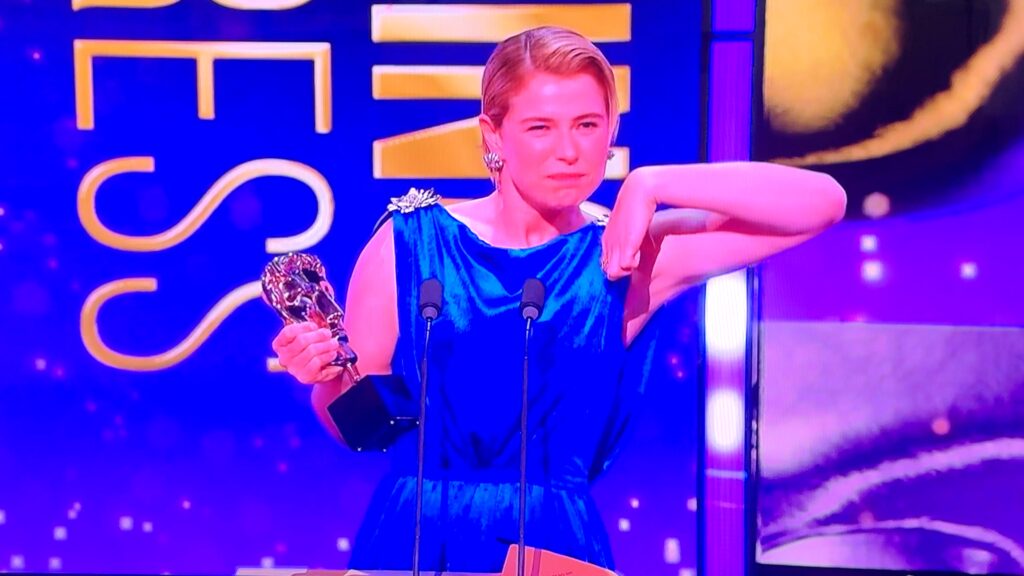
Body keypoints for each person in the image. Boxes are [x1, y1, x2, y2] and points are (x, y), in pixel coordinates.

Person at [271, 25, 847, 573]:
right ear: (493, 134)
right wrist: (323, 377)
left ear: (612, 129)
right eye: (540, 127)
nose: (568, 151)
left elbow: (821, 202)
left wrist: (652, 183)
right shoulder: (409, 243)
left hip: (553, 541)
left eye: (588, 125)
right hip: (415, 534)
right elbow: (359, 430)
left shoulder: (624, 255)